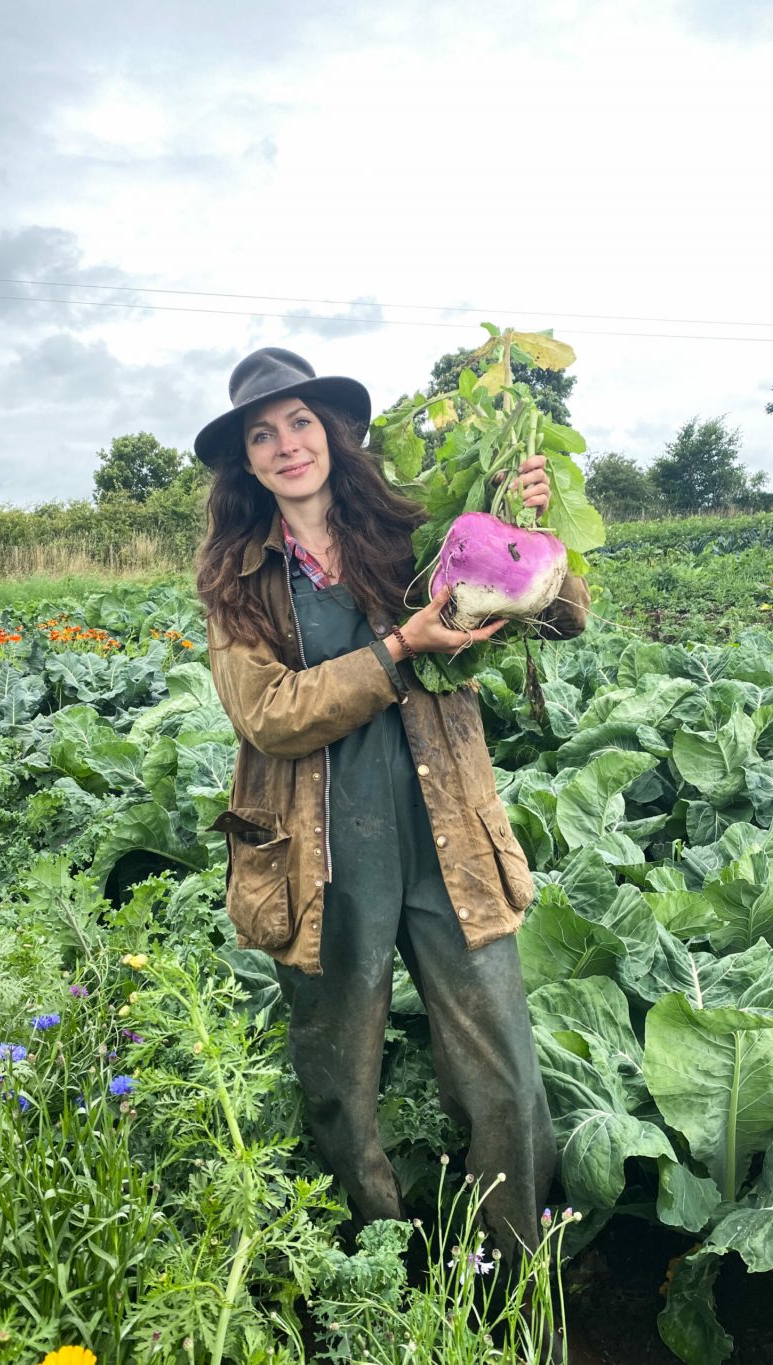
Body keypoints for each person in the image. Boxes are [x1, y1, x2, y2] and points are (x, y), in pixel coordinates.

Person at [194, 347, 589, 1265]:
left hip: (444, 831)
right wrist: (398, 649)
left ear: (332, 433)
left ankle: (516, 1275)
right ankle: (383, 1273)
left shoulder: (409, 532)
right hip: (318, 854)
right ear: (245, 462)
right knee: (341, 1084)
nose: (288, 444)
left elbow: (560, 618)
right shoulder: (238, 580)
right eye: (263, 433)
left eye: (300, 423)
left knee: (503, 1074)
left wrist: (520, 535)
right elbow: (268, 714)